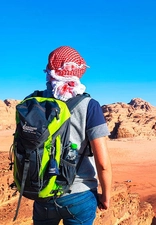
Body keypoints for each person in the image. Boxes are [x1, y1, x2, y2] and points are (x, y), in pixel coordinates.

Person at [31, 46, 112, 225]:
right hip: (79, 194)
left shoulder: (34, 102)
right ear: (78, 71)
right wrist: (106, 196)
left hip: (42, 192)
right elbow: (102, 163)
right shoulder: (89, 106)